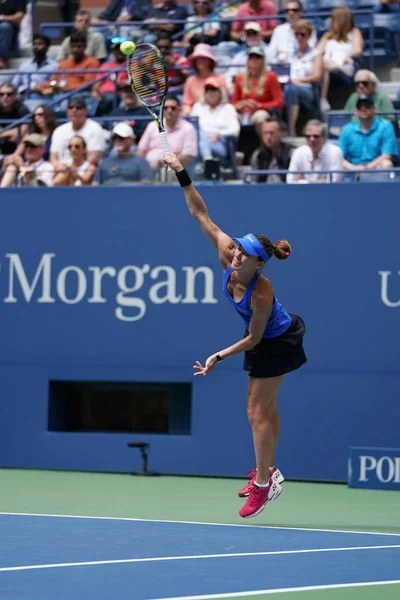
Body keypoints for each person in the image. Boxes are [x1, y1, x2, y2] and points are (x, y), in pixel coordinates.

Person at [164, 152, 307, 518]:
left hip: (277, 341)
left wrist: (217, 356)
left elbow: (256, 340)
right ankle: (269, 472)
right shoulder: (228, 255)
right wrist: (182, 172)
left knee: (255, 410)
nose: (238, 255)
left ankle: (263, 486)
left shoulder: (262, 292)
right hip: (260, 338)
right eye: (239, 249)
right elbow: (200, 214)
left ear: (260, 263)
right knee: (265, 406)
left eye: (247, 254)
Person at [317, 7, 363, 112]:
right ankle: (322, 100)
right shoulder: (327, 35)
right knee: (322, 63)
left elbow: (357, 50)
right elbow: (317, 51)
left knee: (324, 65)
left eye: (332, 18)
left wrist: (348, 55)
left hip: (344, 65)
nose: (330, 21)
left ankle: (323, 100)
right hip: (327, 64)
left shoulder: (354, 32)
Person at [283, 20, 323, 137]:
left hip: (308, 90)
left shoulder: (315, 54)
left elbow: (317, 76)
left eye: (303, 34)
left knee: (291, 89)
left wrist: (299, 81)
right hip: (290, 87)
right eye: (297, 34)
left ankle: (291, 130)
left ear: (309, 36)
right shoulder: (290, 54)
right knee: (288, 89)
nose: (299, 37)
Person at [137, 95, 198, 170]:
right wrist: (143, 165)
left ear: (179, 110)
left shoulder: (188, 128)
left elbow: (187, 157)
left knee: (166, 171)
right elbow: (141, 151)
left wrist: (161, 163)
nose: (169, 111)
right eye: (166, 108)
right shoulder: (152, 126)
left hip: (173, 169)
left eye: (173, 108)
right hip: (148, 166)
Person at [338, 96, 398, 171]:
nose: (363, 109)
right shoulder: (347, 129)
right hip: (352, 169)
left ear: (374, 110)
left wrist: (367, 168)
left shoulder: (386, 126)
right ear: (356, 112)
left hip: (376, 167)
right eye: (360, 107)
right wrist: (354, 168)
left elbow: (387, 155)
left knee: (386, 164)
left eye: (367, 106)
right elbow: (338, 156)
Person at [191, 76, 240, 161]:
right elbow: (191, 128)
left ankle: (207, 159)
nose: (210, 93)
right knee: (200, 134)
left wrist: (219, 134)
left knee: (201, 136)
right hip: (199, 144)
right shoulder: (198, 107)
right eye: (207, 90)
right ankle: (208, 158)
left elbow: (235, 130)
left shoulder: (228, 108)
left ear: (220, 92)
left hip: (220, 143)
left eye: (213, 89)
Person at [50, 96, 106, 168]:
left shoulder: (95, 128)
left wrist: (73, 169)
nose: (74, 110)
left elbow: (94, 158)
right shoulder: (59, 131)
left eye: (78, 108)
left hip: (84, 170)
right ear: (67, 112)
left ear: (86, 111)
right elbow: (53, 158)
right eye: (70, 107)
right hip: (62, 170)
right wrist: (60, 166)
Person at [232, 47, 284, 124]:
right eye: (251, 57)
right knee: (232, 116)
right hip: (243, 113)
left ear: (263, 60)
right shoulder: (239, 78)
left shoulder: (271, 76)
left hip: (261, 112)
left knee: (260, 116)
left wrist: (259, 105)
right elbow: (234, 102)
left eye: (257, 57)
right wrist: (239, 106)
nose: (254, 60)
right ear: (248, 60)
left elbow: (279, 102)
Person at [36, 33, 100, 95]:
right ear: (70, 47)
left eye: (79, 47)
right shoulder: (64, 63)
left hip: (81, 94)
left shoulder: (92, 62)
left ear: (85, 47)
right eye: (73, 46)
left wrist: (68, 88)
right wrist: (42, 85)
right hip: (61, 94)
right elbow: (54, 81)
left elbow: (88, 85)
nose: (76, 50)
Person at [287, 119, 343, 183]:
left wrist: (303, 180)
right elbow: (290, 181)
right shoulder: (298, 152)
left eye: (316, 136)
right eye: (308, 136)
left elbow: (335, 181)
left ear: (324, 138)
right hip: (302, 192)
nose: (312, 139)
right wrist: (322, 180)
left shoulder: (335, 152)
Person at [267, 0, 316, 65]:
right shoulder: (279, 30)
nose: (291, 13)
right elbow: (271, 53)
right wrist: (277, 61)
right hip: (281, 66)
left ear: (301, 12)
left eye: (294, 10)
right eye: (287, 10)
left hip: (302, 63)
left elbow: (310, 49)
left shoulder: (308, 28)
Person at [182, 43, 227, 115]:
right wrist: (189, 112)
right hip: (196, 114)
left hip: (217, 114)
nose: (200, 61)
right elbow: (187, 103)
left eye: (203, 58)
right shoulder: (190, 80)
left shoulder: (220, 78)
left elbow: (223, 100)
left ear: (210, 60)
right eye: (197, 59)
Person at [226, 22, 268, 91]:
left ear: (260, 35)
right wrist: (230, 87)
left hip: (264, 87)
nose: (251, 36)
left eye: (254, 33)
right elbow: (231, 74)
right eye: (249, 34)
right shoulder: (239, 56)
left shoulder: (269, 52)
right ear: (245, 36)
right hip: (243, 89)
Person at [250, 117, 295, 183]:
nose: (268, 137)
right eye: (265, 133)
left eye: (272, 133)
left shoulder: (291, 153)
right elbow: (253, 181)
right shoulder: (258, 155)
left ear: (281, 133)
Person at [0, 83, 29, 156]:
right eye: (1, 94)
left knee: (26, 137)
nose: (5, 97)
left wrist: (3, 134)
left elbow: (23, 132)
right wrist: (12, 133)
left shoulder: (22, 109)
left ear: (15, 95)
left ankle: (14, 157)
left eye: (9, 94)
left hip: (16, 148)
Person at [0, 0, 26, 69]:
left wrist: (2, 18)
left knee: (4, 26)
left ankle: (1, 59)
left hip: (10, 27)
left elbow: (20, 16)